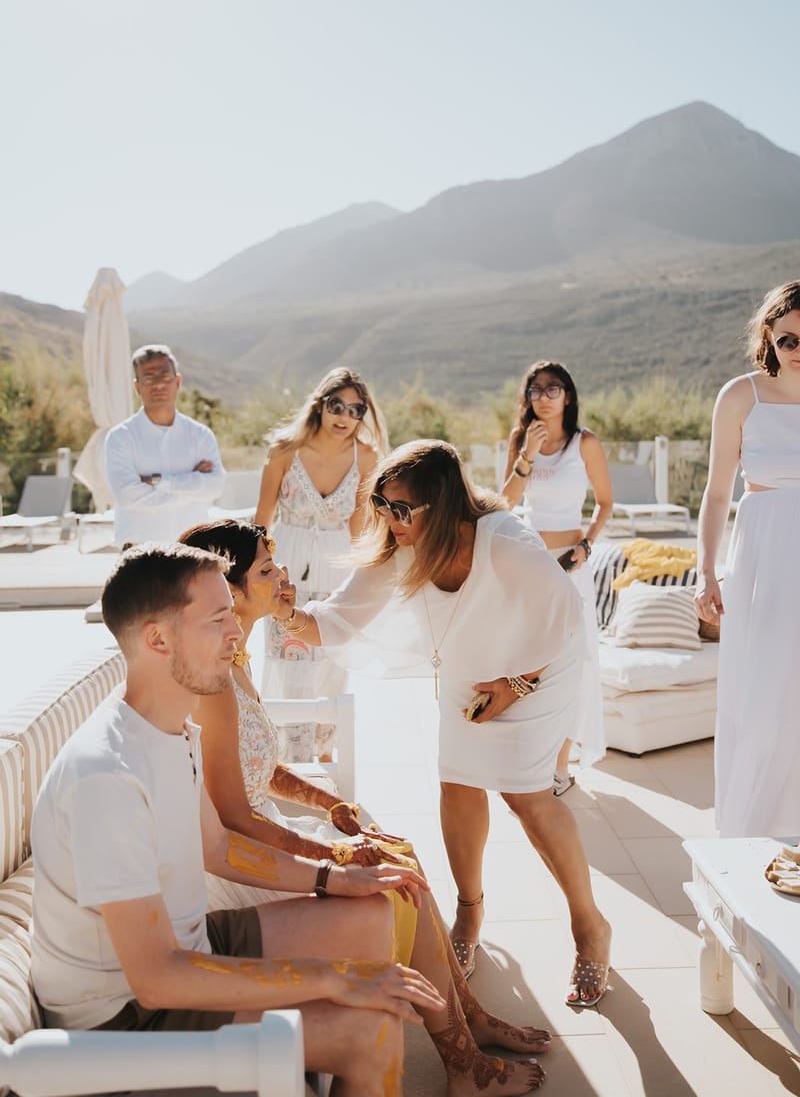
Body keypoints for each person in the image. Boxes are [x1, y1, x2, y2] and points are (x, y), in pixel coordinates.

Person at [30, 542, 445, 1096]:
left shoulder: (175, 728)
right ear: (157, 638)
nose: (236, 632)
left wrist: (335, 876)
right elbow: (155, 980)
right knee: (367, 1029)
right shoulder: (107, 776)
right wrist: (333, 978)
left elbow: (219, 847)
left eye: (233, 612)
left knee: (371, 912)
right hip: (123, 1016)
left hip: (190, 947)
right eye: (218, 618)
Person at [179, 518, 552, 1094]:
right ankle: (463, 1060)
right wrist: (330, 855)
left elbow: (257, 765)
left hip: (260, 831)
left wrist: (331, 805)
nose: (283, 575)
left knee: (398, 852)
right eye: (266, 570)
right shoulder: (213, 681)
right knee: (396, 877)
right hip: (236, 860)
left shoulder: (238, 661)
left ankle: (468, 1019)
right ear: (227, 591)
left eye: (276, 564)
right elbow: (232, 814)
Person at [268, 440, 612, 1008]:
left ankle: (588, 926)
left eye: (402, 508)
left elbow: (566, 620)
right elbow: (336, 619)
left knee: (527, 798)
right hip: (467, 674)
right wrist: (280, 610)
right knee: (457, 785)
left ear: (444, 502)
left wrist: (516, 685)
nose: (389, 519)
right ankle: (469, 913)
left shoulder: (508, 543)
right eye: (382, 504)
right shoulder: (402, 545)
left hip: (539, 669)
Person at [695, 279, 800, 837]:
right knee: (765, 692)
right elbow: (717, 493)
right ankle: (756, 830)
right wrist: (707, 571)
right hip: (764, 556)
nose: (799, 350)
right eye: (788, 340)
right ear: (769, 336)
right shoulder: (742, 395)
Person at [255, 367, 388, 762]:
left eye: (356, 409)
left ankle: (325, 753)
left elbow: (361, 526)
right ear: (320, 404)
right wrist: (255, 576)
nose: (345, 417)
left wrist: (367, 583)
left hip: (337, 569)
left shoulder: (366, 457)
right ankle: (284, 758)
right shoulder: (283, 451)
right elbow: (261, 522)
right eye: (337, 406)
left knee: (332, 664)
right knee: (288, 663)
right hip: (287, 566)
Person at [502, 361, 613, 791]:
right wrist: (527, 454)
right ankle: (532, 756)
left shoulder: (585, 443)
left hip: (570, 565)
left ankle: (561, 766)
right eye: (535, 390)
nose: (544, 397)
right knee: (529, 660)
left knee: (571, 660)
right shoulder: (521, 440)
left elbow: (606, 502)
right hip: (529, 562)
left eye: (553, 389)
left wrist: (588, 544)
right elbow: (506, 503)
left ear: (568, 395)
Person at [105, 344, 225, 546]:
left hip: (194, 551)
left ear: (177, 381)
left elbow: (214, 487)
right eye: (149, 377)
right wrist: (190, 487)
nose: (158, 384)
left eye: (165, 376)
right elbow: (127, 496)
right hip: (139, 553)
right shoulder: (120, 437)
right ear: (137, 387)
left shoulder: (200, 435)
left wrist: (158, 482)